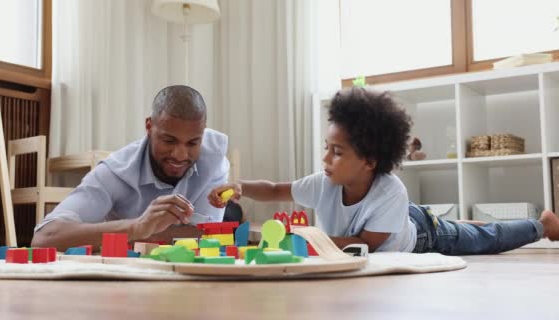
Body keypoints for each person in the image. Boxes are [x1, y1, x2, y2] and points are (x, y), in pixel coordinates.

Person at [208, 87, 559, 254]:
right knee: (454, 223)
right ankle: (464, 222)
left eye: (337, 152)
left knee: (486, 240)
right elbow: (273, 189)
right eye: (326, 149)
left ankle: (542, 225)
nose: (325, 159)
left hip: (421, 236)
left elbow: (364, 244)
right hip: (398, 217)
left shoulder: (391, 190)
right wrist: (240, 186)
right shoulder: (325, 183)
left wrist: (308, 240)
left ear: (370, 161)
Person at [32, 85, 229, 250]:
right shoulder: (114, 172)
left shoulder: (214, 158)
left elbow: (207, 236)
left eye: (192, 143)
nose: (180, 155)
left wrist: (128, 235)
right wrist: (137, 227)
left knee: (232, 217)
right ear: (149, 127)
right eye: (169, 140)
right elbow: (44, 238)